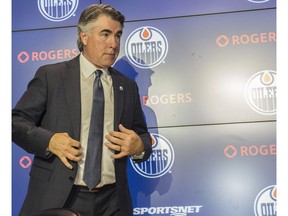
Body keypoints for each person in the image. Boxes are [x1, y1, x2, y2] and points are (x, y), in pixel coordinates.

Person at [12, 4, 152, 216]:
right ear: (84, 36)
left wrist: (139, 145)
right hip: (60, 197)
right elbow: (15, 123)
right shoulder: (52, 76)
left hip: (113, 201)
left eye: (117, 35)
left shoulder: (127, 86)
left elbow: (142, 136)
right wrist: (49, 141)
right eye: (105, 34)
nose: (113, 43)